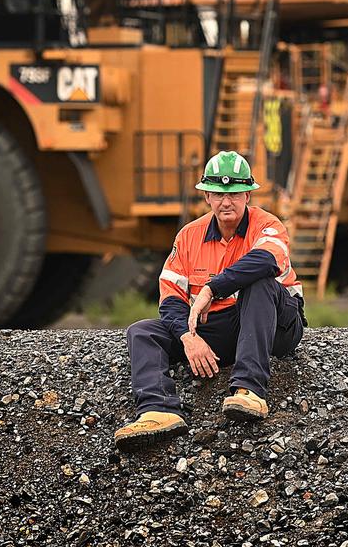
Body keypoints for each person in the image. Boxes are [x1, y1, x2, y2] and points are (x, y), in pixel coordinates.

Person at [114, 150, 306, 452]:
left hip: (276, 326)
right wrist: (188, 338)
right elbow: (171, 298)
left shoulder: (267, 224)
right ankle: (157, 411)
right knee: (142, 331)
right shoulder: (188, 236)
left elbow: (267, 261)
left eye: (233, 193)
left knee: (259, 284)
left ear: (247, 195)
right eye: (218, 193)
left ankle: (250, 390)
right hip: (221, 328)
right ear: (206, 196)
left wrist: (210, 289)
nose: (225, 202)